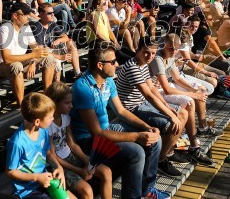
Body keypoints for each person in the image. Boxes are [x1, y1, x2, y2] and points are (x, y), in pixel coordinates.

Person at [70, 41, 168, 199]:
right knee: (136, 152)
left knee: (155, 140)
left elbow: (121, 111)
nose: (117, 64)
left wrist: (146, 127)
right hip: (87, 141)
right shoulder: (82, 88)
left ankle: (147, 190)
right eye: (113, 61)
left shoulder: (108, 81)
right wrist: (137, 137)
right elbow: (97, 133)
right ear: (100, 65)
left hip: (106, 129)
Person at [114, 37, 188, 178]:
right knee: (172, 122)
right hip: (132, 108)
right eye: (146, 52)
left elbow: (152, 89)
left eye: (153, 53)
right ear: (138, 50)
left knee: (183, 113)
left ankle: (166, 153)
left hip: (142, 103)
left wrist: (166, 105)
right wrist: (170, 114)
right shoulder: (132, 67)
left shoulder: (143, 64)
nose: (150, 56)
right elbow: (148, 95)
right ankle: (161, 160)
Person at [149, 34, 217, 166]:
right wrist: (194, 95)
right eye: (171, 48)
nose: (174, 51)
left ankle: (194, 143)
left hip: (163, 88)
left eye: (176, 49)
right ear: (164, 45)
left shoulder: (170, 57)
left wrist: (194, 91)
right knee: (189, 101)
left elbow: (177, 79)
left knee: (195, 94)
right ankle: (193, 146)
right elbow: (167, 89)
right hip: (156, 92)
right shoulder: (158, 58)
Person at [45, 83, 112, 199]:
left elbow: (72, 143)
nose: (71, 106)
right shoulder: (47, 125)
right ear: (54, 103)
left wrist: (85, 159)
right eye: (67, 103)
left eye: (71, 102)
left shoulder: (65, 118)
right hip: (58, 164)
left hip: (71, 156)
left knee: (106, 171)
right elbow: (52, 156)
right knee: (87, 191)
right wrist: (79, 170)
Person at [6, 92, 72, 199]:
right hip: (26, 191)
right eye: (50, 117)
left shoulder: (43, 131)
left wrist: (59, 167)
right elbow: (10, 172)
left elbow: (49, 153)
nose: (52, 119)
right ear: (37, 121)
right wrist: (36, 177)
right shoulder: (17, 142)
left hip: (45, 180)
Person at [0, 3, 55, 106]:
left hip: (20, 61)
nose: (28, 17)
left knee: (49, 57)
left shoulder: (26, 27)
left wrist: (33, 61)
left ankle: (47, 97)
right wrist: (33, 55)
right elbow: (7, 59)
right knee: (17, 66)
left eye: (29, 14)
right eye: (25, 14)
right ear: (15, 16)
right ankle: (22, 107)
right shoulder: (5, 29)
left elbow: (36, 49)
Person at [30, 3, 81, 81]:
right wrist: (60, 57)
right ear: (41, 14)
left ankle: (78, 74)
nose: (53, 15)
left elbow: (66, 37)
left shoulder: (51, 24)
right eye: (49, 13)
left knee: (70, 42)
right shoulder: (37, 27)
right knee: (56, 61)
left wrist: (58, 40)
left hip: (51, 49)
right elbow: (41, 51)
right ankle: (56, 87)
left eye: (53, 12)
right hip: (42, 54)